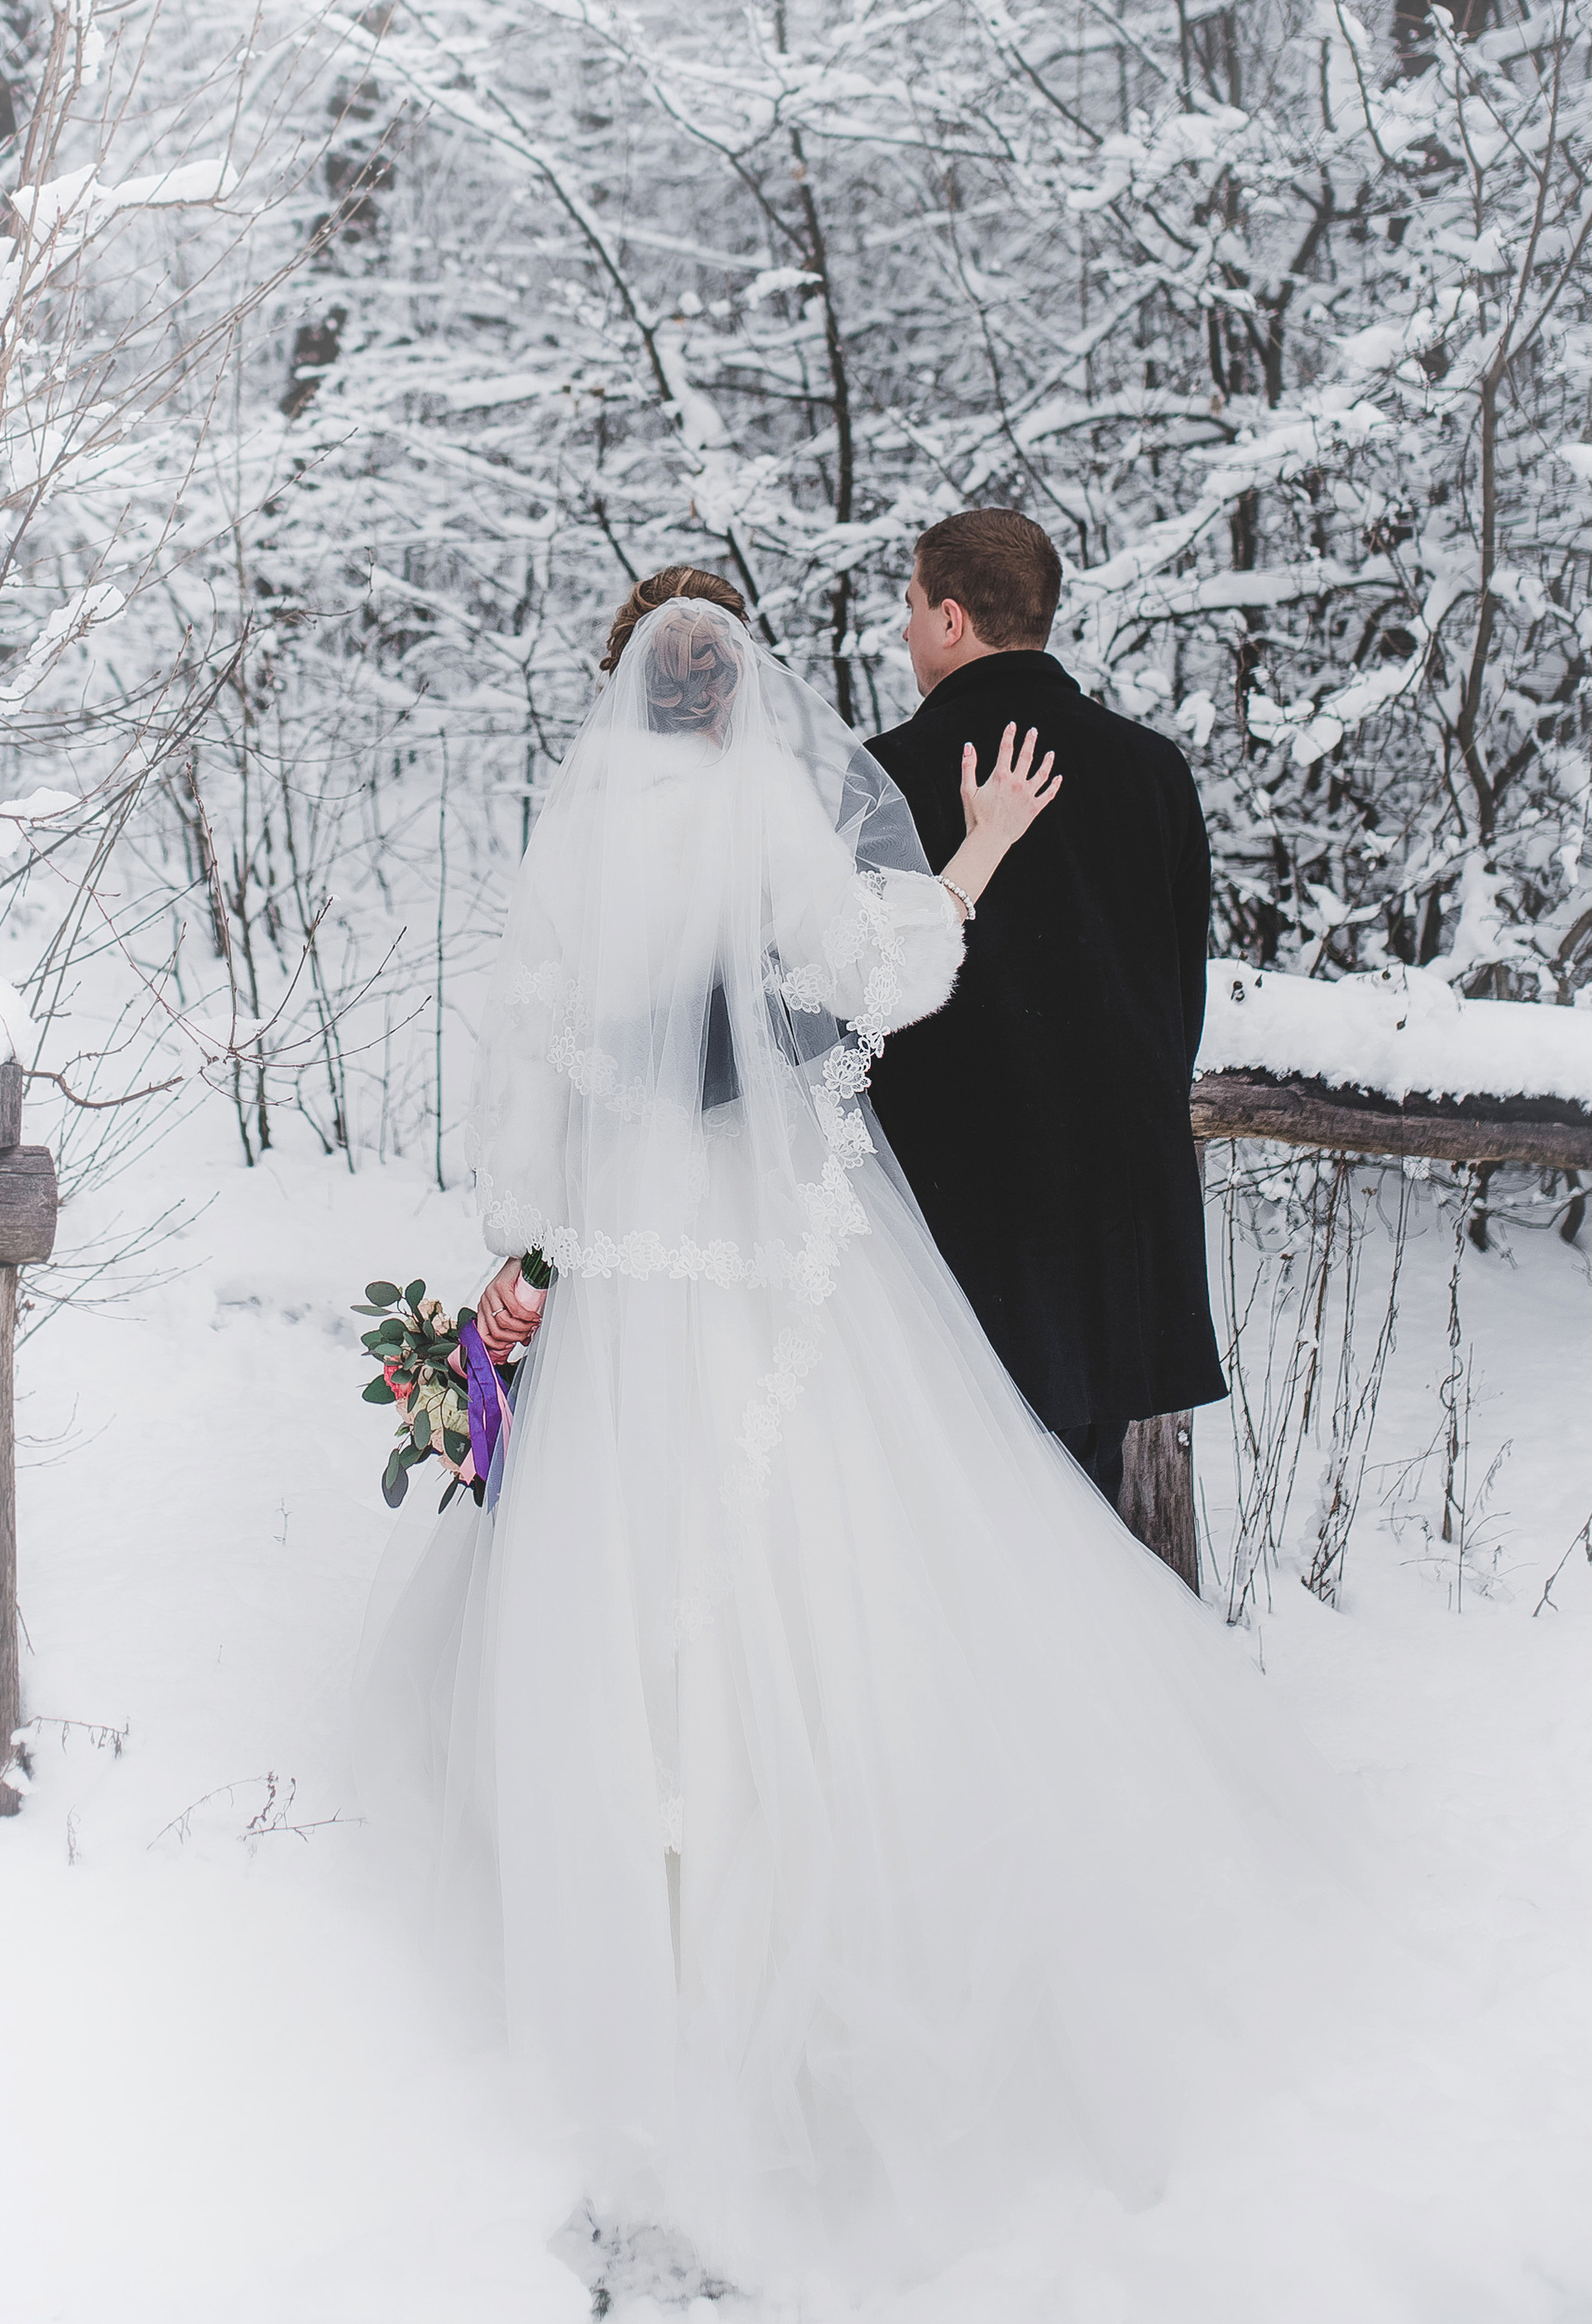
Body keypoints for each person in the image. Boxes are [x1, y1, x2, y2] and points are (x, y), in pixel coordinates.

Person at [365, 571, 1307, 2295]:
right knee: (839, 1555)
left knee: (628, 1563)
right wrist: (968, 854)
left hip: (638, 1261)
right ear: (741, 693)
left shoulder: (567, 841)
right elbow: (877, 983)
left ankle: (630, 1916)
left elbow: (529, 1072)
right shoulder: (772, 804)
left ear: (618, 688)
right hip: (782, 1248)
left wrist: (525, 1240)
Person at [863, 510, 1225, 1508]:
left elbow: (852, 1002)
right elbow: (1176, 999)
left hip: (948, 1225)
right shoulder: (1154, 771)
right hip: (1113, 1219)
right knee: (1083, 1529)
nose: (900, 634)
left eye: (906, 607)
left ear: (949, 617)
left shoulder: (882, 777)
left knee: (950, 1531)